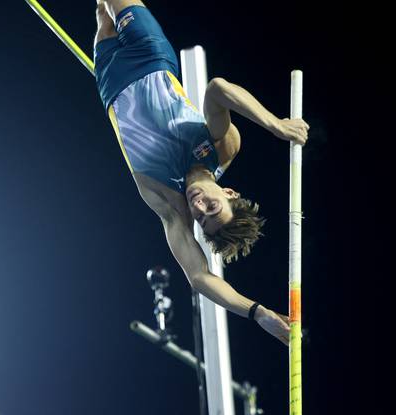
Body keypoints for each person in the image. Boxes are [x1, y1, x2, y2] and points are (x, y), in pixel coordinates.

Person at [94, 0, 309, 345]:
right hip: (151, 55)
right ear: (229, 193)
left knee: (102, 11)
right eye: (213, 208)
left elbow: (199, 277)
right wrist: (277, 126)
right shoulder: (224, 148)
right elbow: (218, 89)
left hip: (110, 81)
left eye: (202, 219)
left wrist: (259, 312)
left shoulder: (169, 204)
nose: (199, 207)